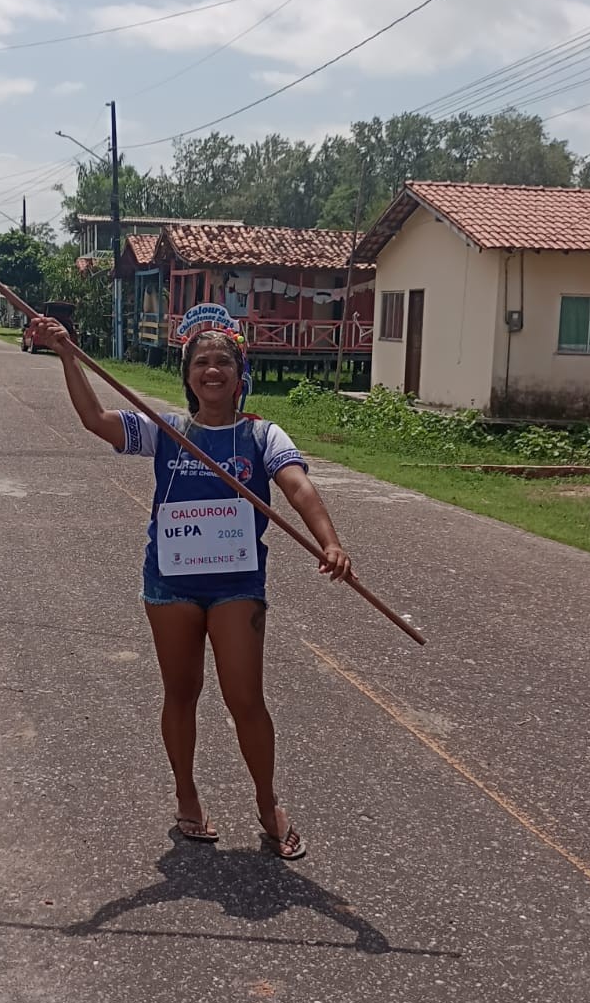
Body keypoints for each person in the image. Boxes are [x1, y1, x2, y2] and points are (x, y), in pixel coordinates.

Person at [28, 310, 351, 860]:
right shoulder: (167, 427)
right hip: (172, 584)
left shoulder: (261, 433)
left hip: (236, 584)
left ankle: (268, 801)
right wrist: (66, 355)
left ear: (239, 371)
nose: (212, 370)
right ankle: (186, 794)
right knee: (182, 694)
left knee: (245, 698)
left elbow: (298, 487)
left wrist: (330, 540)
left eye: (223, 360)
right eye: (201, 361)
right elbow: (96, 419)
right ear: (188, 374)